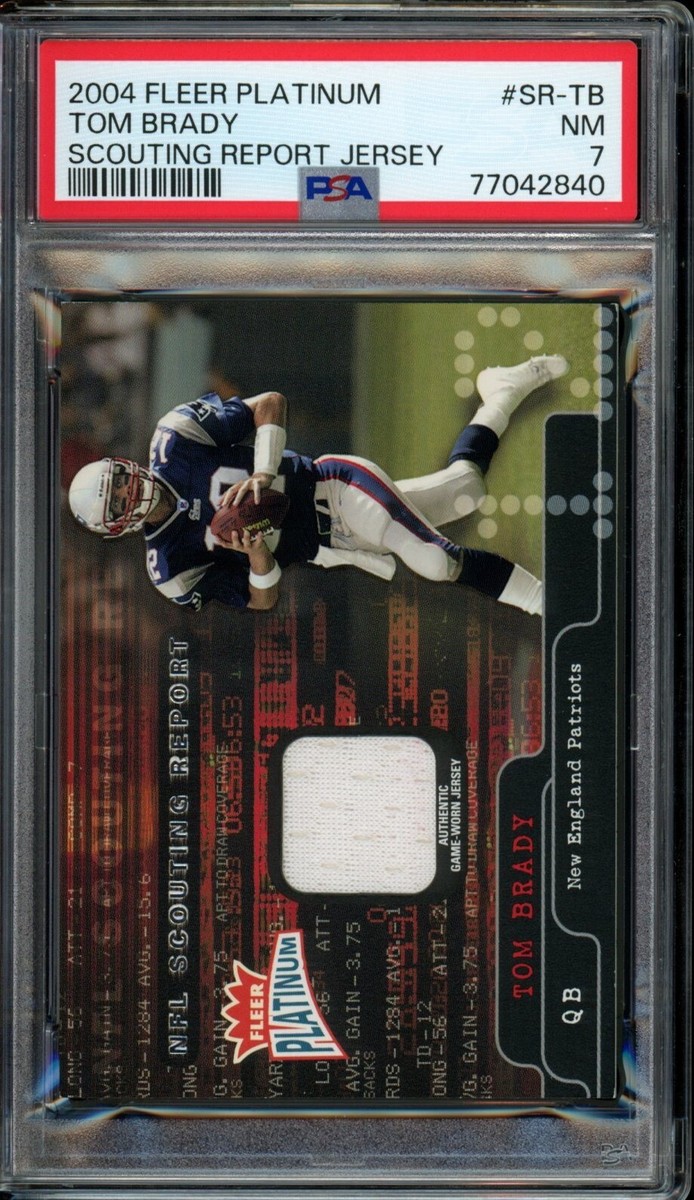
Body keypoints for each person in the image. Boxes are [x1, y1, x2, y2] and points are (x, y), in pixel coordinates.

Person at [68, 355, 568, 616]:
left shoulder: (175, 437)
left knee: (436, 561)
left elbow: (269, 403)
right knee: (465, 489)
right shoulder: (170, 569)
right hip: (334, 544)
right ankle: (501, 393)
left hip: (334, 484)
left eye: (120, 480)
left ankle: (550, 603)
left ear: (123, 465)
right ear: (115, 527)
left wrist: (263, 473)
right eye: (118, 501)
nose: (130, 490)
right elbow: (261, 600)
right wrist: (257, 554)